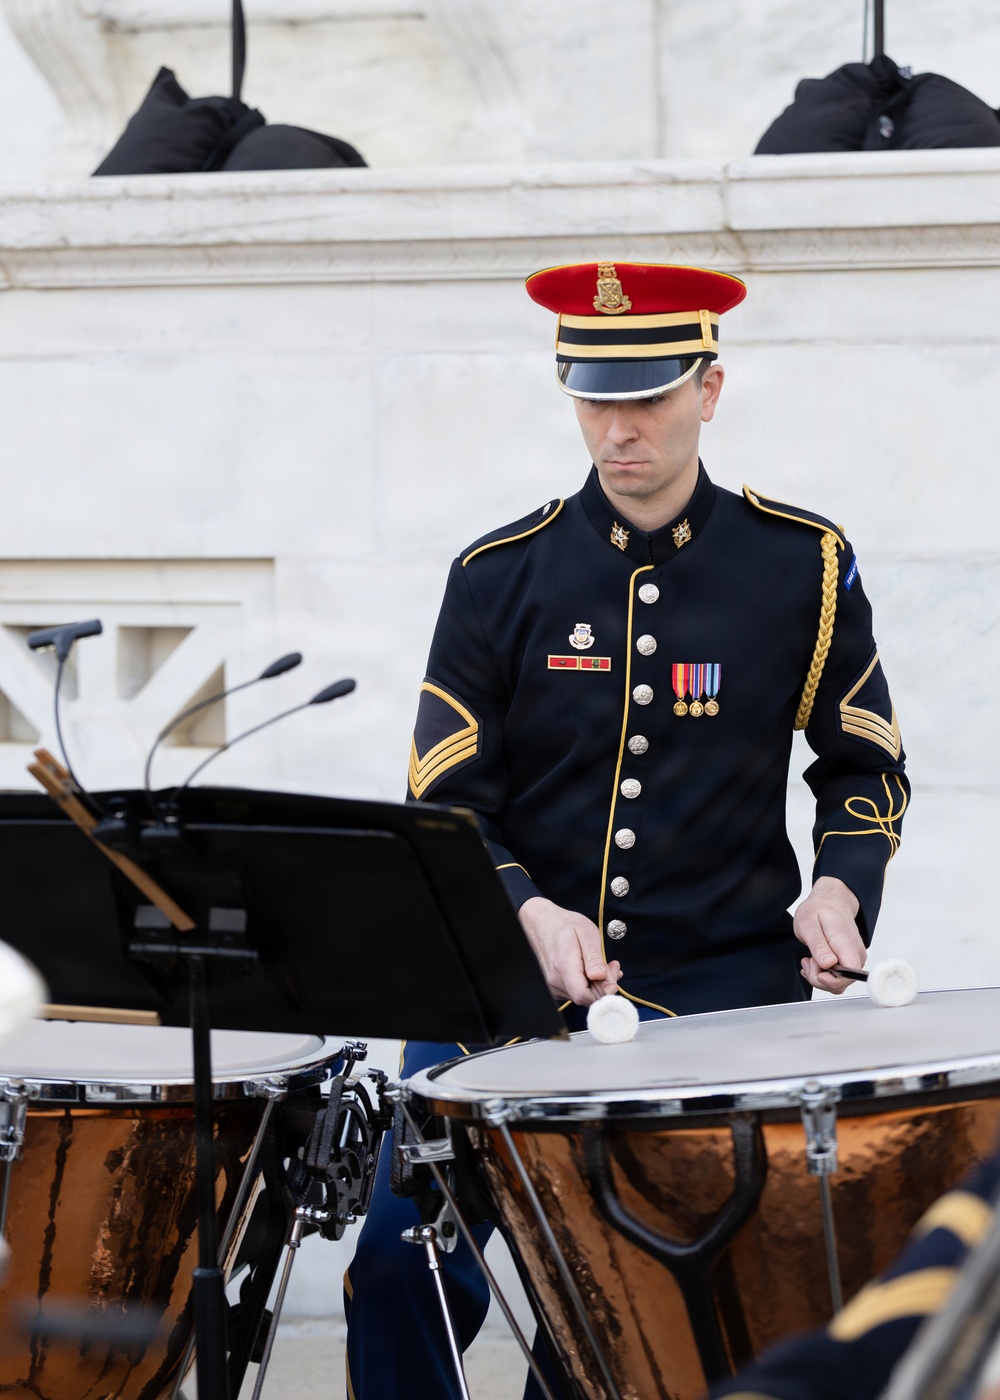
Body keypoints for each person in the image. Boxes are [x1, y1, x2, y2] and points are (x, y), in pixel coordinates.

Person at [344, 260, 910, 1399]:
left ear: (709, 389)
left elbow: (863, 765)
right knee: (400, 1267)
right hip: (499, 994)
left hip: (717, 993)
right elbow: (446, 806)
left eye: (647, 397)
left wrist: (841, 888)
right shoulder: (496, 575)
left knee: (620, 1304)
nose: (618, 428)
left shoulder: (801, 564)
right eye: (593, 398)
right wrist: (528, 909)